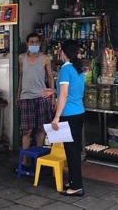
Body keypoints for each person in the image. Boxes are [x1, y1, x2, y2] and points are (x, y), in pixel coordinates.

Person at [42, 39, 85, 197]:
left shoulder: (66, 69)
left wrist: (56, 117)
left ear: (64, 52)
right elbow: (71, 91)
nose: (59, 53)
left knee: (72, 152)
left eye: (61, 50)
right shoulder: (78, 69)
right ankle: (74, 181)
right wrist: (53, 92)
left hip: (69, 114)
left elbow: (65, 94)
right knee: (73, 150)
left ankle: (76, 187)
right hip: (79, 112)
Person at [17, 32, 56, 169]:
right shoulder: (21, 58)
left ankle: (38, 161)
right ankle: (25, 161)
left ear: (40, 44)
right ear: (27, 44)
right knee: (26, 130)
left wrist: (52, 96)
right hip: (26, 97)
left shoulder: (45, 58)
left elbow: (50, 78)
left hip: (42, 97)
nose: (34, 44)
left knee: (41, 129)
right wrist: (18, 94)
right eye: (31, 42)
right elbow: (21, 77)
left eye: (36, 42)